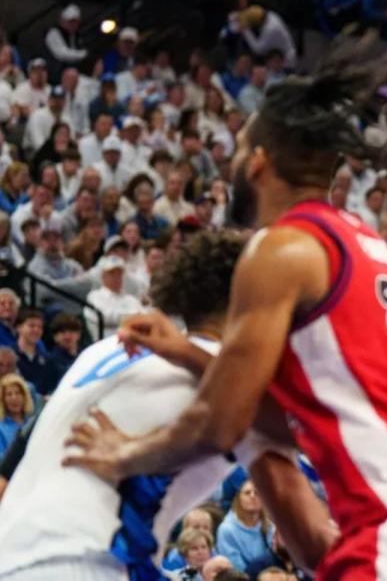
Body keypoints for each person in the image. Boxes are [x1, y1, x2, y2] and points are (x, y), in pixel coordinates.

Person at [66, 40, 387, 578]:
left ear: (259, 161)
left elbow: (218, 422)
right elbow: (286, 417)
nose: (235, 161)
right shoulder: (361, 241)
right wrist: (188, 353)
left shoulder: (280, 249)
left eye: (241, 147)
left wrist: (123, 452)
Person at [0, 230, 329, 580]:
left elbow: (17, 454)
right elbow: (311, 545)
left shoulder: (106, 349)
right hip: (86, 564)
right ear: (259, 301)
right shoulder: (241, 389)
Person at [216, 480, 275, 574]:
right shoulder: (226, 530)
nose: (252, 496)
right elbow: (237, 569)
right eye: (247, 493)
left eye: (257, 493)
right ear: (238, 499)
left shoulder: (270, 526)